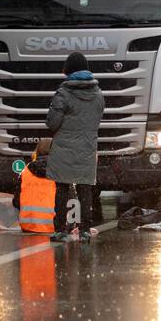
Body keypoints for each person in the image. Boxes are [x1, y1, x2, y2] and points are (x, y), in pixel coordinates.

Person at [46, 51, 104, 241]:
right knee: (84, 188)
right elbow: (96, 120)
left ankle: (61, 230)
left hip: (64, 147)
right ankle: (85, 230)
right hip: (87, 147)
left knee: (62, 188)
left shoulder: (63, 93)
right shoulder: (98, 94)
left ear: (68, 70)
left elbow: (52, 122)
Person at [11, 138, 57, 234]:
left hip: (28, 225)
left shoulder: (25, 171)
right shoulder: (59, 171)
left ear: (37, 150)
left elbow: (16, 201)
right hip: (54, 226)